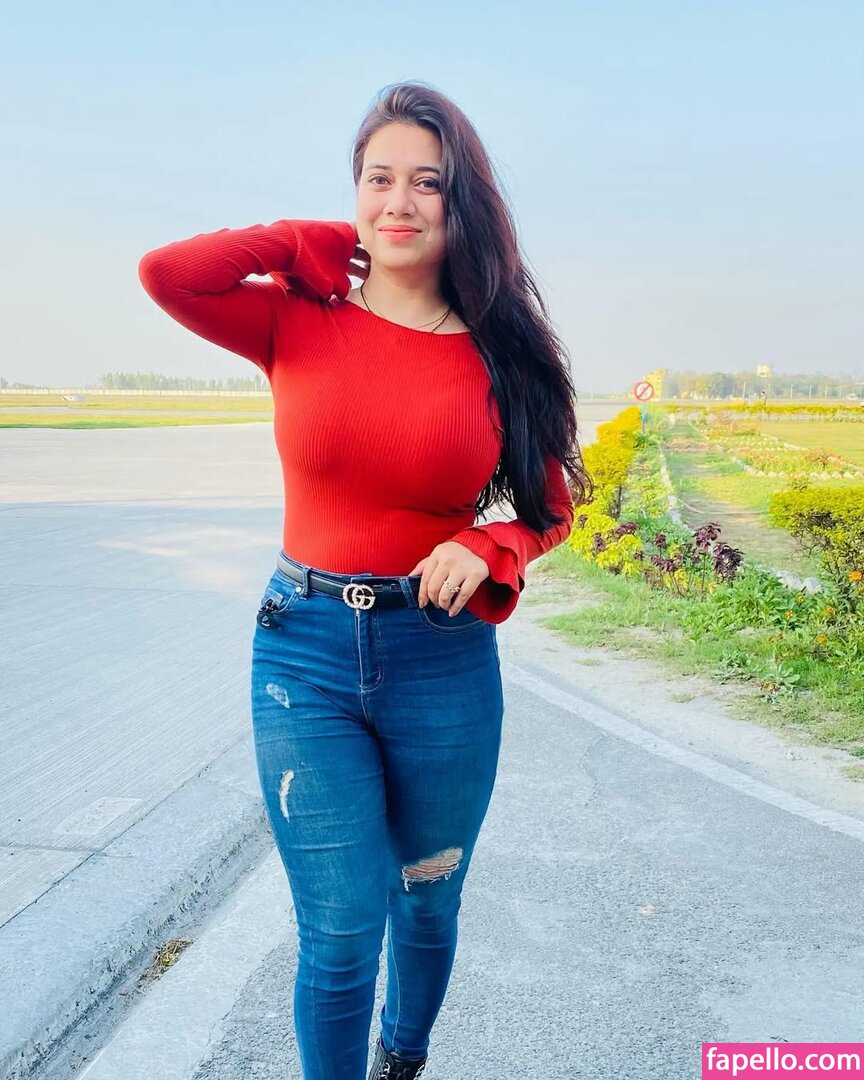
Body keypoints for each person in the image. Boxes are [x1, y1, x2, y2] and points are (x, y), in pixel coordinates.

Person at [138, 80, 591, 1080]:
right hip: (302, 652)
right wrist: (299, 240)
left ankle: (403, 1058)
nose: (399, 202)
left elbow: (551, 507)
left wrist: (486, 547)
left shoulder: (503, 357)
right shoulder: (296, 317)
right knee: (340, 930)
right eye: (377, 179)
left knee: (425, 898)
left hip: (441, 660)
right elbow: (167, 275)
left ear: (462, 202)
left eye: (426, 182)